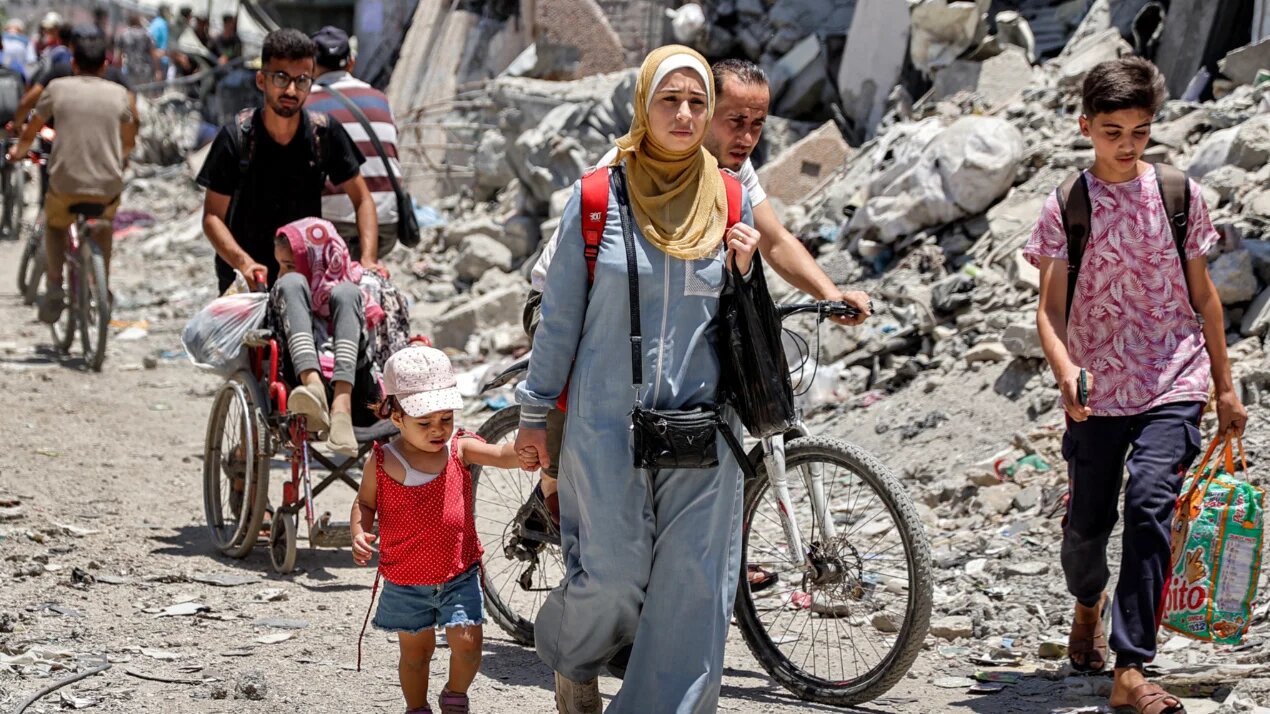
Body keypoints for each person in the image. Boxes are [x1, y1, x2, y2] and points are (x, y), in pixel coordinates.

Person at [520, 57, 873, 591]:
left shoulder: (729, 175)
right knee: (591, 417)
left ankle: (702, 550)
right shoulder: (632, 164)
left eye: (757, 125)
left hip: (665, 318)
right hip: (574, 304)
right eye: (735, 121)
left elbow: (775, 239)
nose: (746, 137)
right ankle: (556, 496)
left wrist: (829, 293)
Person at [514, 45, 762, 713]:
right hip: (606, 426)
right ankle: (572, 653)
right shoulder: (598, 197)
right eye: (669, 100)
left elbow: (741, 320)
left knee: (693, 593)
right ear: (642, 106)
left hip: (705, 427)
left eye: (697, 102)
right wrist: (535, 413)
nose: (684, 114)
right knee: (614, 577)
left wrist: (746, 271)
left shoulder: (731, 197)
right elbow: (559, 319)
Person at [1025, 57, 1246, 714]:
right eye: (1112, 132)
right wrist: (1065, 370)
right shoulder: (1067, 204)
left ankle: (1131, 667)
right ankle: (1086, 604)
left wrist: (1225, 387)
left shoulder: (1180, 195)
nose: (1127, 145)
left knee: (1151, 503)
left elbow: (1205, 298)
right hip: (1095, 388)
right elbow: (1049, 310)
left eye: (1140, 131)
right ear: (1085, 127)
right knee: (1087, 527)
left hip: (1174, 375)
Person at [352, 345, 538, 714]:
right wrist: (360, 531)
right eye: (425, 423)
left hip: (458, 574)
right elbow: (365, 503)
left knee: (469, 644)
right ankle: (416, 707)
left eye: (446, 418)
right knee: (416, 655)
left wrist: (523, 453)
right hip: (406, 581)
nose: (438, 429)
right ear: (396, 417)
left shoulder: (458, 448)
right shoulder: (384, 461)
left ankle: (454, 695)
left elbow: (501, 455)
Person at [196, 28, 381, 296]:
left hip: (307, 282)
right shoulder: (236, 137)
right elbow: (212, 216)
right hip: (246, 285)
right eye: (281, 78)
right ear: (261, 80)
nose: (291, 90)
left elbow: (362, 198)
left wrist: (368, 259)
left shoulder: (323, 133)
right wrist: (244, 263)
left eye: (302, 80)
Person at [5, 33, 138, 324]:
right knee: (104, 227)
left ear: (74, 63)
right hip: (106, 185)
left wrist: (18, 152)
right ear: (105, 65)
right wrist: (120, 158)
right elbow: (129, 139)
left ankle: (55, 285)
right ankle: (102, 285)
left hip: (65, 182)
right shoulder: (119, 94)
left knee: (55, 225)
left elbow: (30, 130)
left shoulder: (57, 87)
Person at [272, 217, 381, 454]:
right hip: (295, 384)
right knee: (291, 284)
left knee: (347, 293)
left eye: (289, 265)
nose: (279, 274)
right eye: (279, 265)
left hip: (356, 386)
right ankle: (314, 387)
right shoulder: (286, 291)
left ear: (317, 262)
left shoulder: (360, 287)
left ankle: (341, 408)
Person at [305, 25, 402, 260]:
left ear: (310, 65)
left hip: (332, 222)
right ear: (351, 62)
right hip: (385, 220)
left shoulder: (305, 104)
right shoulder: (380, 99)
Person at [114, 14, 158, 89]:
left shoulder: (123, 35)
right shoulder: (146, 34)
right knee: (144, 92)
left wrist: (117, 72)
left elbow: (117, 56)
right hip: (145, 70)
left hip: (130, 69)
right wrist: (157, 69)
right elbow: (153, 53)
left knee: (131, 92)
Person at [148, 5, 170, 76]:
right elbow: (152, 45)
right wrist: (157, 69)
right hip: (159, 61)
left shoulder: (156, 23)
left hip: (160, 60)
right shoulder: (160, 24)